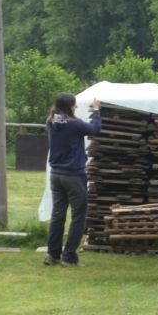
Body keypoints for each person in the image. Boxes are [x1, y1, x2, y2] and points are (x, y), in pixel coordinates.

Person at [44, 93, 101, 267]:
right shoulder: (74, 125)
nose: (76, 107)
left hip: (56, 175)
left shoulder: (51, 122)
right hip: (73, 175)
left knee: (58, 215)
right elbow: (95, 129)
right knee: (78, 216)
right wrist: (97, 111)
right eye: (74, 105)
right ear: (70, 106)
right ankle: (69, 257)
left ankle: (52, 255)